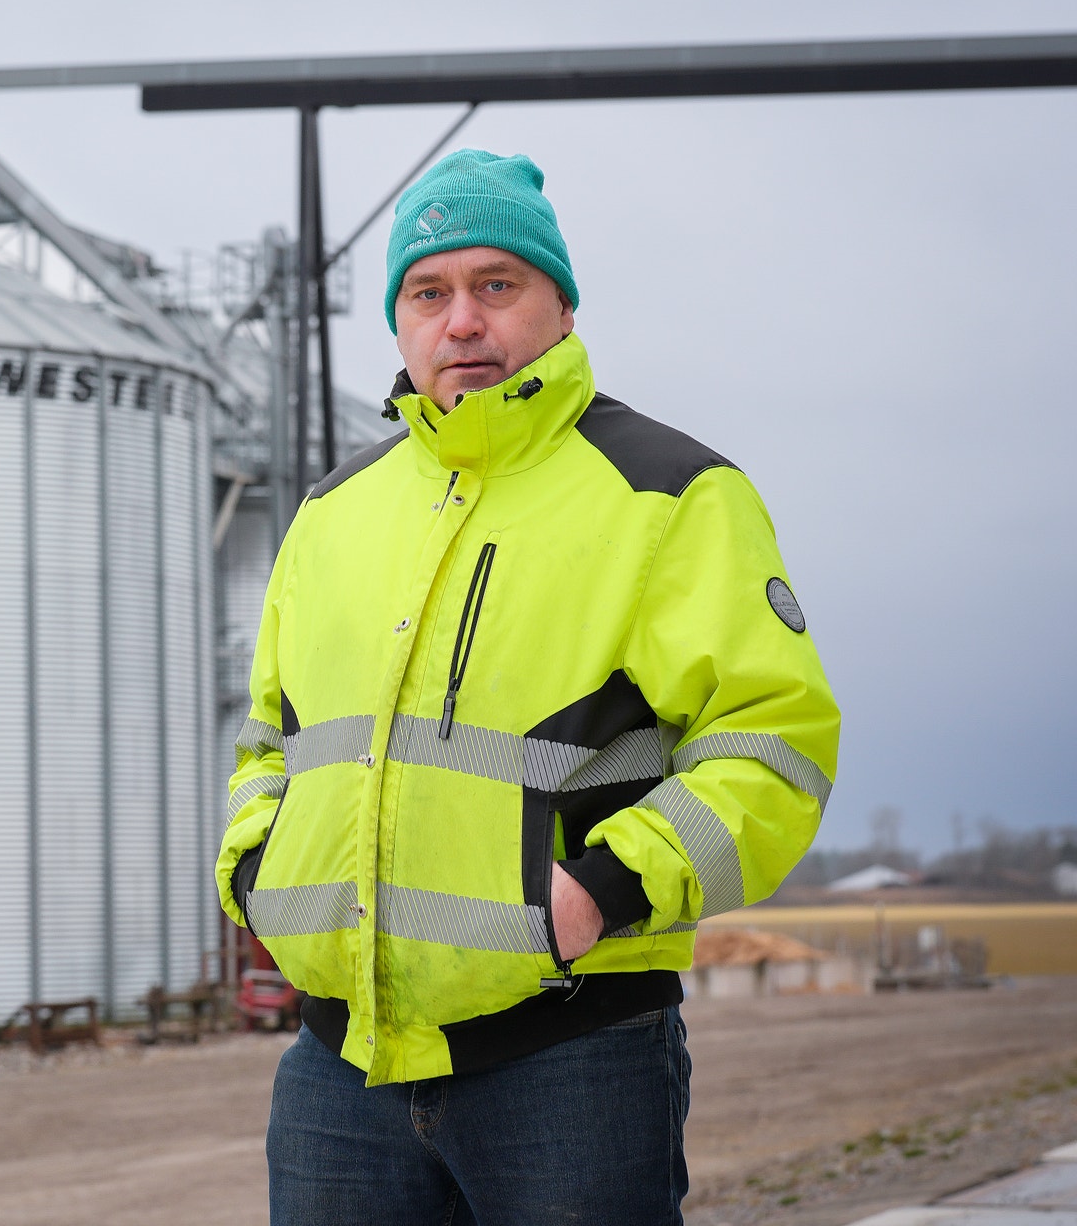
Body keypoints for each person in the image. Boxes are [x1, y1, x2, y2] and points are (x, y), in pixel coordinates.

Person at [217, 149, 840, 1224]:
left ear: (559, 306)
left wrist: (604, 885)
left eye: (494, 285)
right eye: (429, 291)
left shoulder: (669, 493)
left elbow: (771, 747)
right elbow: (272, 738)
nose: (461, 320)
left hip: (568, 1059)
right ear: (401, 320)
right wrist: (257, 873)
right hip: (338, 1069)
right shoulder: (333, 510)